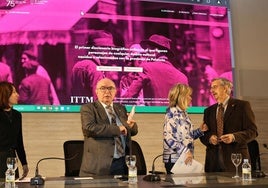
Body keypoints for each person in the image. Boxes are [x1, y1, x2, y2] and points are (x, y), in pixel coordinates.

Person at [79, 78, 138, 176]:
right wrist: (117, 129)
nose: (107, 91)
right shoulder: (89, 108)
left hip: (122, 163)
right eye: (103, 88)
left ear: (115, 92)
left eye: (110, 88)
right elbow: (89, 128)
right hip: (99, 164)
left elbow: (132, 132)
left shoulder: (120, 108)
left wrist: (131, 126)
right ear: (96, 91)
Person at [199, 78, 258, 172]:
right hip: (213, 163)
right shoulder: (208, 111)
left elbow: (253, 131)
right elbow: (203, 135)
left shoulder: (242, 106)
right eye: (211, 88)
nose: (211, 90)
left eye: (215, 87)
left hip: (236, 161)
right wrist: (210, 138)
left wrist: (234, 137)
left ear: (225, 88)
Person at [122, 34, 188, 106]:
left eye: (148, 49)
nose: (146, 54)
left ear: (156, 51)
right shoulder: (183, 78)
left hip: (152, 116)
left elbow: (129, 97)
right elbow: (185, 107)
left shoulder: (146, 68)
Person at [163, 83, 208, 174]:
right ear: (181, 97)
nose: (191, 98)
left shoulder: (183, 114)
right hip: (175, 160)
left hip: (184, 158)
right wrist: (185, 151)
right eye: (189, 96)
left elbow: (186, 137)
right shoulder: (172, 114)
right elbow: (169, 139)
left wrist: (200, 131)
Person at [0, 81, 29, 179]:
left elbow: (19, 142)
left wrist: (24, 163)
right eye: (14, 92)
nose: (17, 95)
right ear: (5, 95)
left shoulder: (17, 115)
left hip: (12, 161)